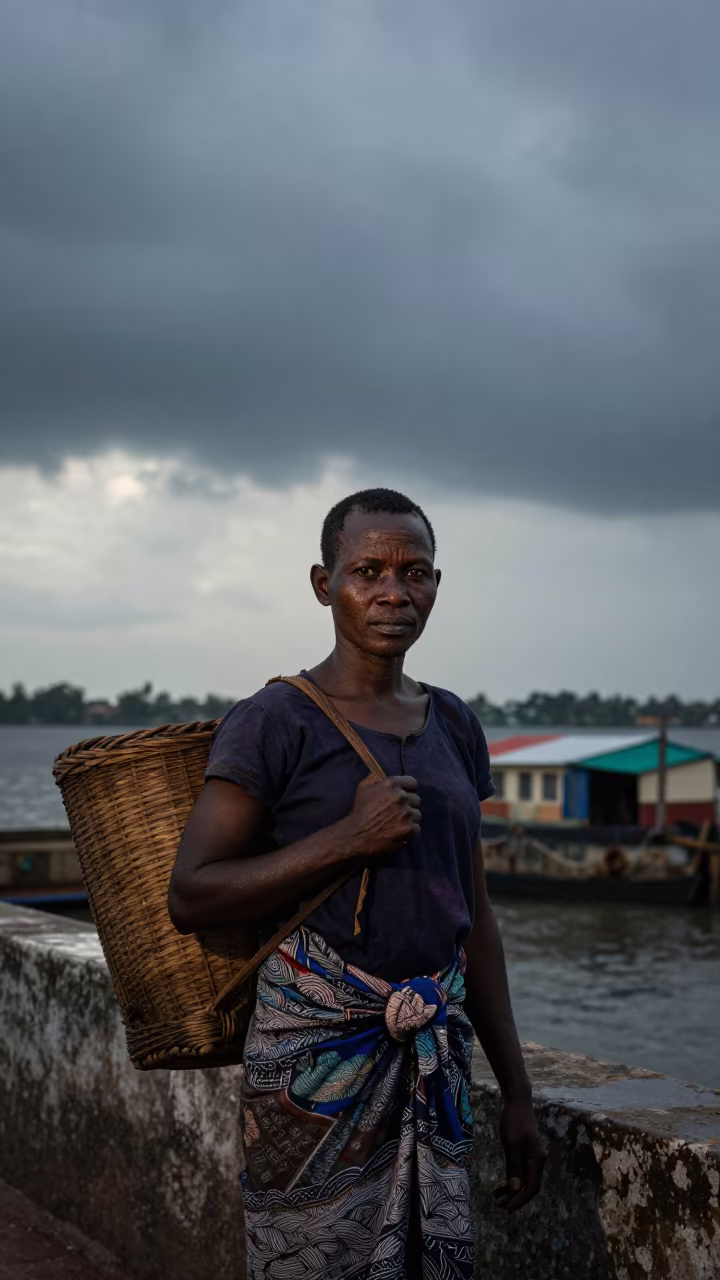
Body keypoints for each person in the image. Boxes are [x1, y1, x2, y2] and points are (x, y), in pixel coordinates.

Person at [168, 488, 545, 1280]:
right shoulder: (275, 720)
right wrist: (348, 839)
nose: (392, 592)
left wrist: (516, 1091)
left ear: (437, 585)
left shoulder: (454, 723)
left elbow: (474, 921)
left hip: (431, 1056)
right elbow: (193, 893)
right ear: (321, 583)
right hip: (313, 1064)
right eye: (366, 569)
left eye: (415, 572)